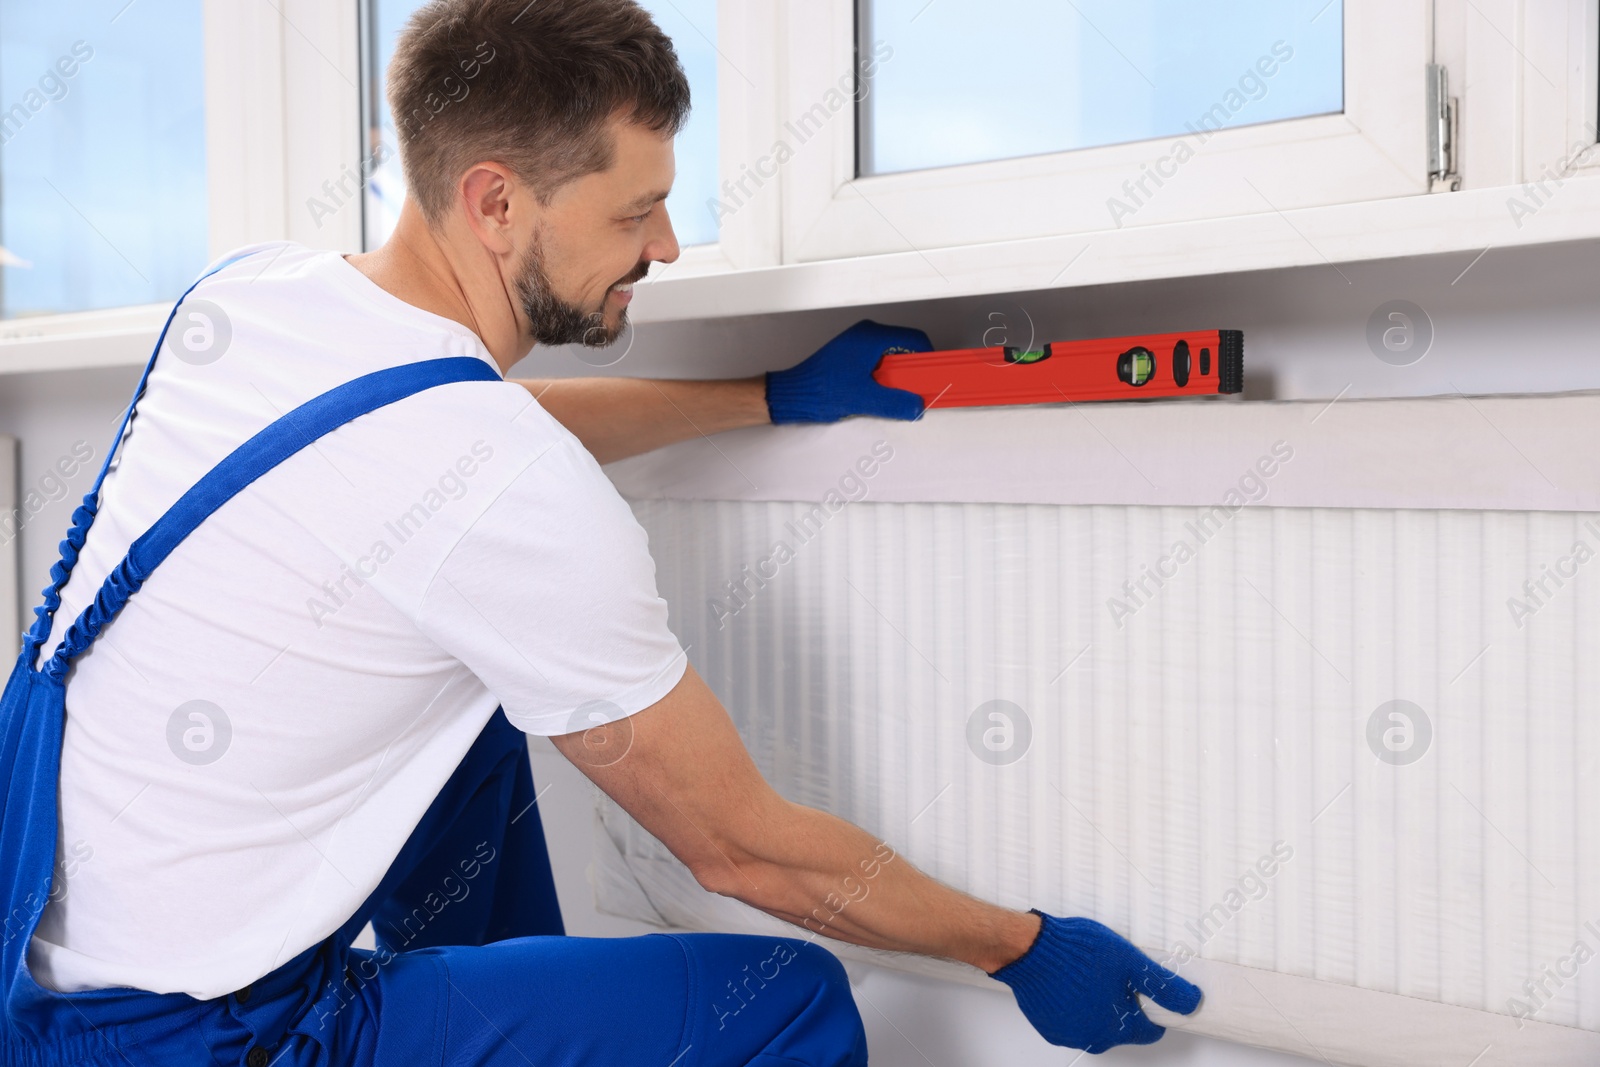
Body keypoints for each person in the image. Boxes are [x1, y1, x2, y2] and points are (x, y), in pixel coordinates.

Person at [0, 1, 1201, 1063]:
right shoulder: (494, 483)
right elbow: (741, 853)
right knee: (790, 1001)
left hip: (27, 962)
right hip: (204, 1037)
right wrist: (1020, 945)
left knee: (471, 709)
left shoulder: (248, 296)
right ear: (497, 201)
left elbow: (464, 451)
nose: (665, 248)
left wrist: (768, 399)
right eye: (638, 211)